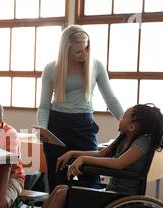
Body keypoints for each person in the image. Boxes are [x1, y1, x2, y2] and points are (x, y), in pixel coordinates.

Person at [0, 103, 163, 208]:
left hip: (120, 198)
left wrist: (83, 160)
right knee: (59, 190)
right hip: (112, 193)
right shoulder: (124, 138)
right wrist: (74, 153)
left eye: (125, 116)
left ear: (132, 125)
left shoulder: (144, 141)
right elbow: (101, 154)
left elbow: (119, 164)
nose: (120, 118)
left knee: (63, 194)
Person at [37, 25, 124, 193]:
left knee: (90, 176)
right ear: (66, 51)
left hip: (84, 125)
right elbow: (44, 105)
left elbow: (111, 99)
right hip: (57, 127)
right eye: (78, 51)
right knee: (57, 180)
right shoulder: (51, 68)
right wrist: (42, 129)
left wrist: (126, 122)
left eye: (86, 49)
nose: (84, 54)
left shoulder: (96, 66)